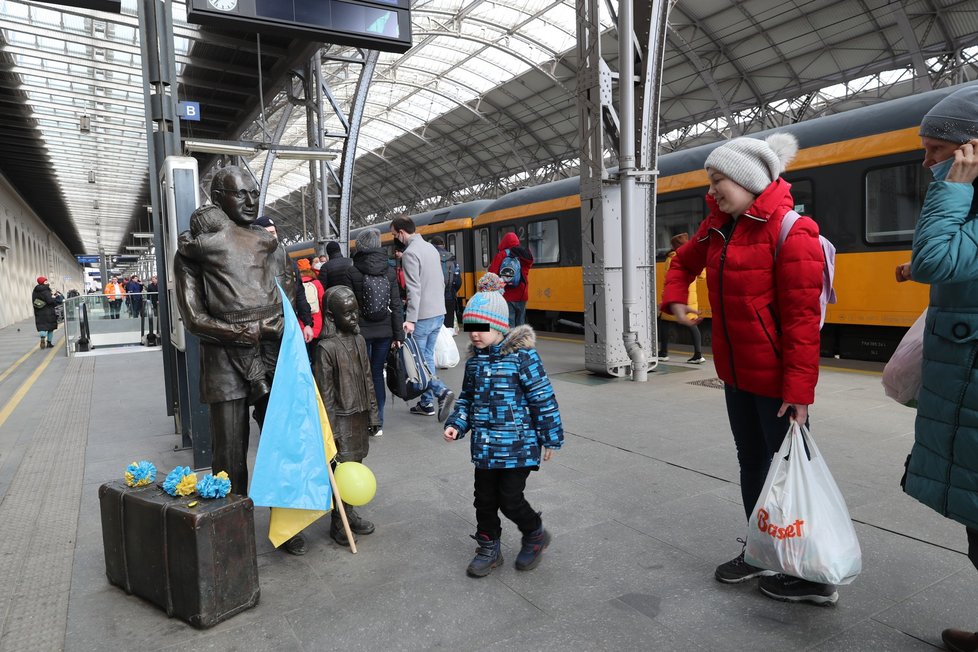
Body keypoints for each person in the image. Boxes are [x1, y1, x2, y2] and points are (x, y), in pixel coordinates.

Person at [661, 133, 833, 605]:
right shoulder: (720, 225)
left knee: (789, 471)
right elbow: (684, 259)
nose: (712, 191)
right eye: (711, 182)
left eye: (719, 182)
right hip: (736, 374)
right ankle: (761, 550)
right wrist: (674, 294)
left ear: (749, 181)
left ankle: (815, 573)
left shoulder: (794, 232)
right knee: (752, 463)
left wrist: (800, 391)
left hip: (778, 383)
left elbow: (802, 321)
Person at [173, 166, 310, 556]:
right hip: (222, 361)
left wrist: (280, 328)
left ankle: (288, 522)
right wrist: (244, 332)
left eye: (254, 193)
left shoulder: (270, 245)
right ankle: (231, 527)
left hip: (271, 354)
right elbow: (194, 318)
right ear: (218, 199)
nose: (251, 201)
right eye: (241, 195)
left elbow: (284, 299)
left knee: (283, 441)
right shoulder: (192, 252)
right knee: (229, 452)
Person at [899, 85, 978, 652]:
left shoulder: (960, 192)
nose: (927, 162)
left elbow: (935, 261)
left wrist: (952, 189)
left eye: (936, 151)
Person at [443, 273, 563, 577]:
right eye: (471, 328)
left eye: (481, 328)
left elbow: (542, 397)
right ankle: (488, 546)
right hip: (484, 447)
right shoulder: (475, 362)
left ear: (498, 326)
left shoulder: (523, 358)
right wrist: (457, 423)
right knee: (483, 499)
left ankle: (535, 533)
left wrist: (550, 437)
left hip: (518, 446)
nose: (474, 335)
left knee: (509, 499)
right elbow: (467, 399)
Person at [181, 206, 274, 403]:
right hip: (268, 309)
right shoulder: (260, 238)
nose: (250, 201)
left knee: (241, 347)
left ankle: (257, 380)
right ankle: (264, 379)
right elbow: (271, 241)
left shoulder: (205, 243)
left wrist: (185, 238)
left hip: (238, 314)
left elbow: (188, 247)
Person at [314, 286, 381, 546]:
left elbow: (368, 379)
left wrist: (373, 414)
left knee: (357, 466)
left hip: (359, 414)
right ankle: (338, 522)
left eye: (356, 312)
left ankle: (349, 513)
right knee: (341, 471)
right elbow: (325, 395)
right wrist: (330, 432)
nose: (354, 318)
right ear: (331, 316)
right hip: (339, 419)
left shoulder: (359, 341)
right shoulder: (325, 348)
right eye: (348, 313)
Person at [390, 216, 455, 420]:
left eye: (394, 235)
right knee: (427, 357)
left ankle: (441, 391)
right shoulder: (430, 249)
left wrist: (411, 319)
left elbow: (414, 290)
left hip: (423, 315)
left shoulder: (410, 254)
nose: (395, 238)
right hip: (438, 312)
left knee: (417, 362)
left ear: (401, 233)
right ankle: (426, 403)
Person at [347, 228, 404, 437]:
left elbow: (348, 306)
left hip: (361, 331)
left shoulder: (352, 271)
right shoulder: (389, 270)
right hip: (385, 330)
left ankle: (363, 417)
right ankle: (378, 420)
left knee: (362, 373)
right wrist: (399, 335)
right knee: (378, 372)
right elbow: (396, 305)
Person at [657, 233, 706, 364]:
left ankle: (663, 352)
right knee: (691, 324)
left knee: (664, 322)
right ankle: (698, 354)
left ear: (674, 247)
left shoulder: (672, 258)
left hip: (677, 297)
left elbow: (669, 279)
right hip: (690, 297)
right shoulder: (693, 257)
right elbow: (702, 276)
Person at [488, 232, 534, 327]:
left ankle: (511, 341)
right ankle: (520, 341)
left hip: (507, 295)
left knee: (510, 324)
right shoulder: (524, 254)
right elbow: (528, 266)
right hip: (522, 295)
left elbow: (492, 274)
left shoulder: (502, 255)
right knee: (521, 324)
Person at [429, 236, 462, 329]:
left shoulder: (430, 257)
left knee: (436, 327)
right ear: (443, 245)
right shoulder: (451, 258)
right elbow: (458, 280)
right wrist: (453, 290)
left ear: (432, 245)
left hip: (434, 298)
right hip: (450, 295)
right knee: (448, 326)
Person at [32, 276, 63, 349]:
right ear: (43, 283)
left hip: (39, 311)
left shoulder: (35, 291)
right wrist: (54, 297)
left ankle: (42, 337)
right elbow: (49, 301)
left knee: (42, 326)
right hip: (48, 311)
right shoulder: (45, 290)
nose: (47, 282)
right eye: (46, 281)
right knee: (50, 328)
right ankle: (49, 343)